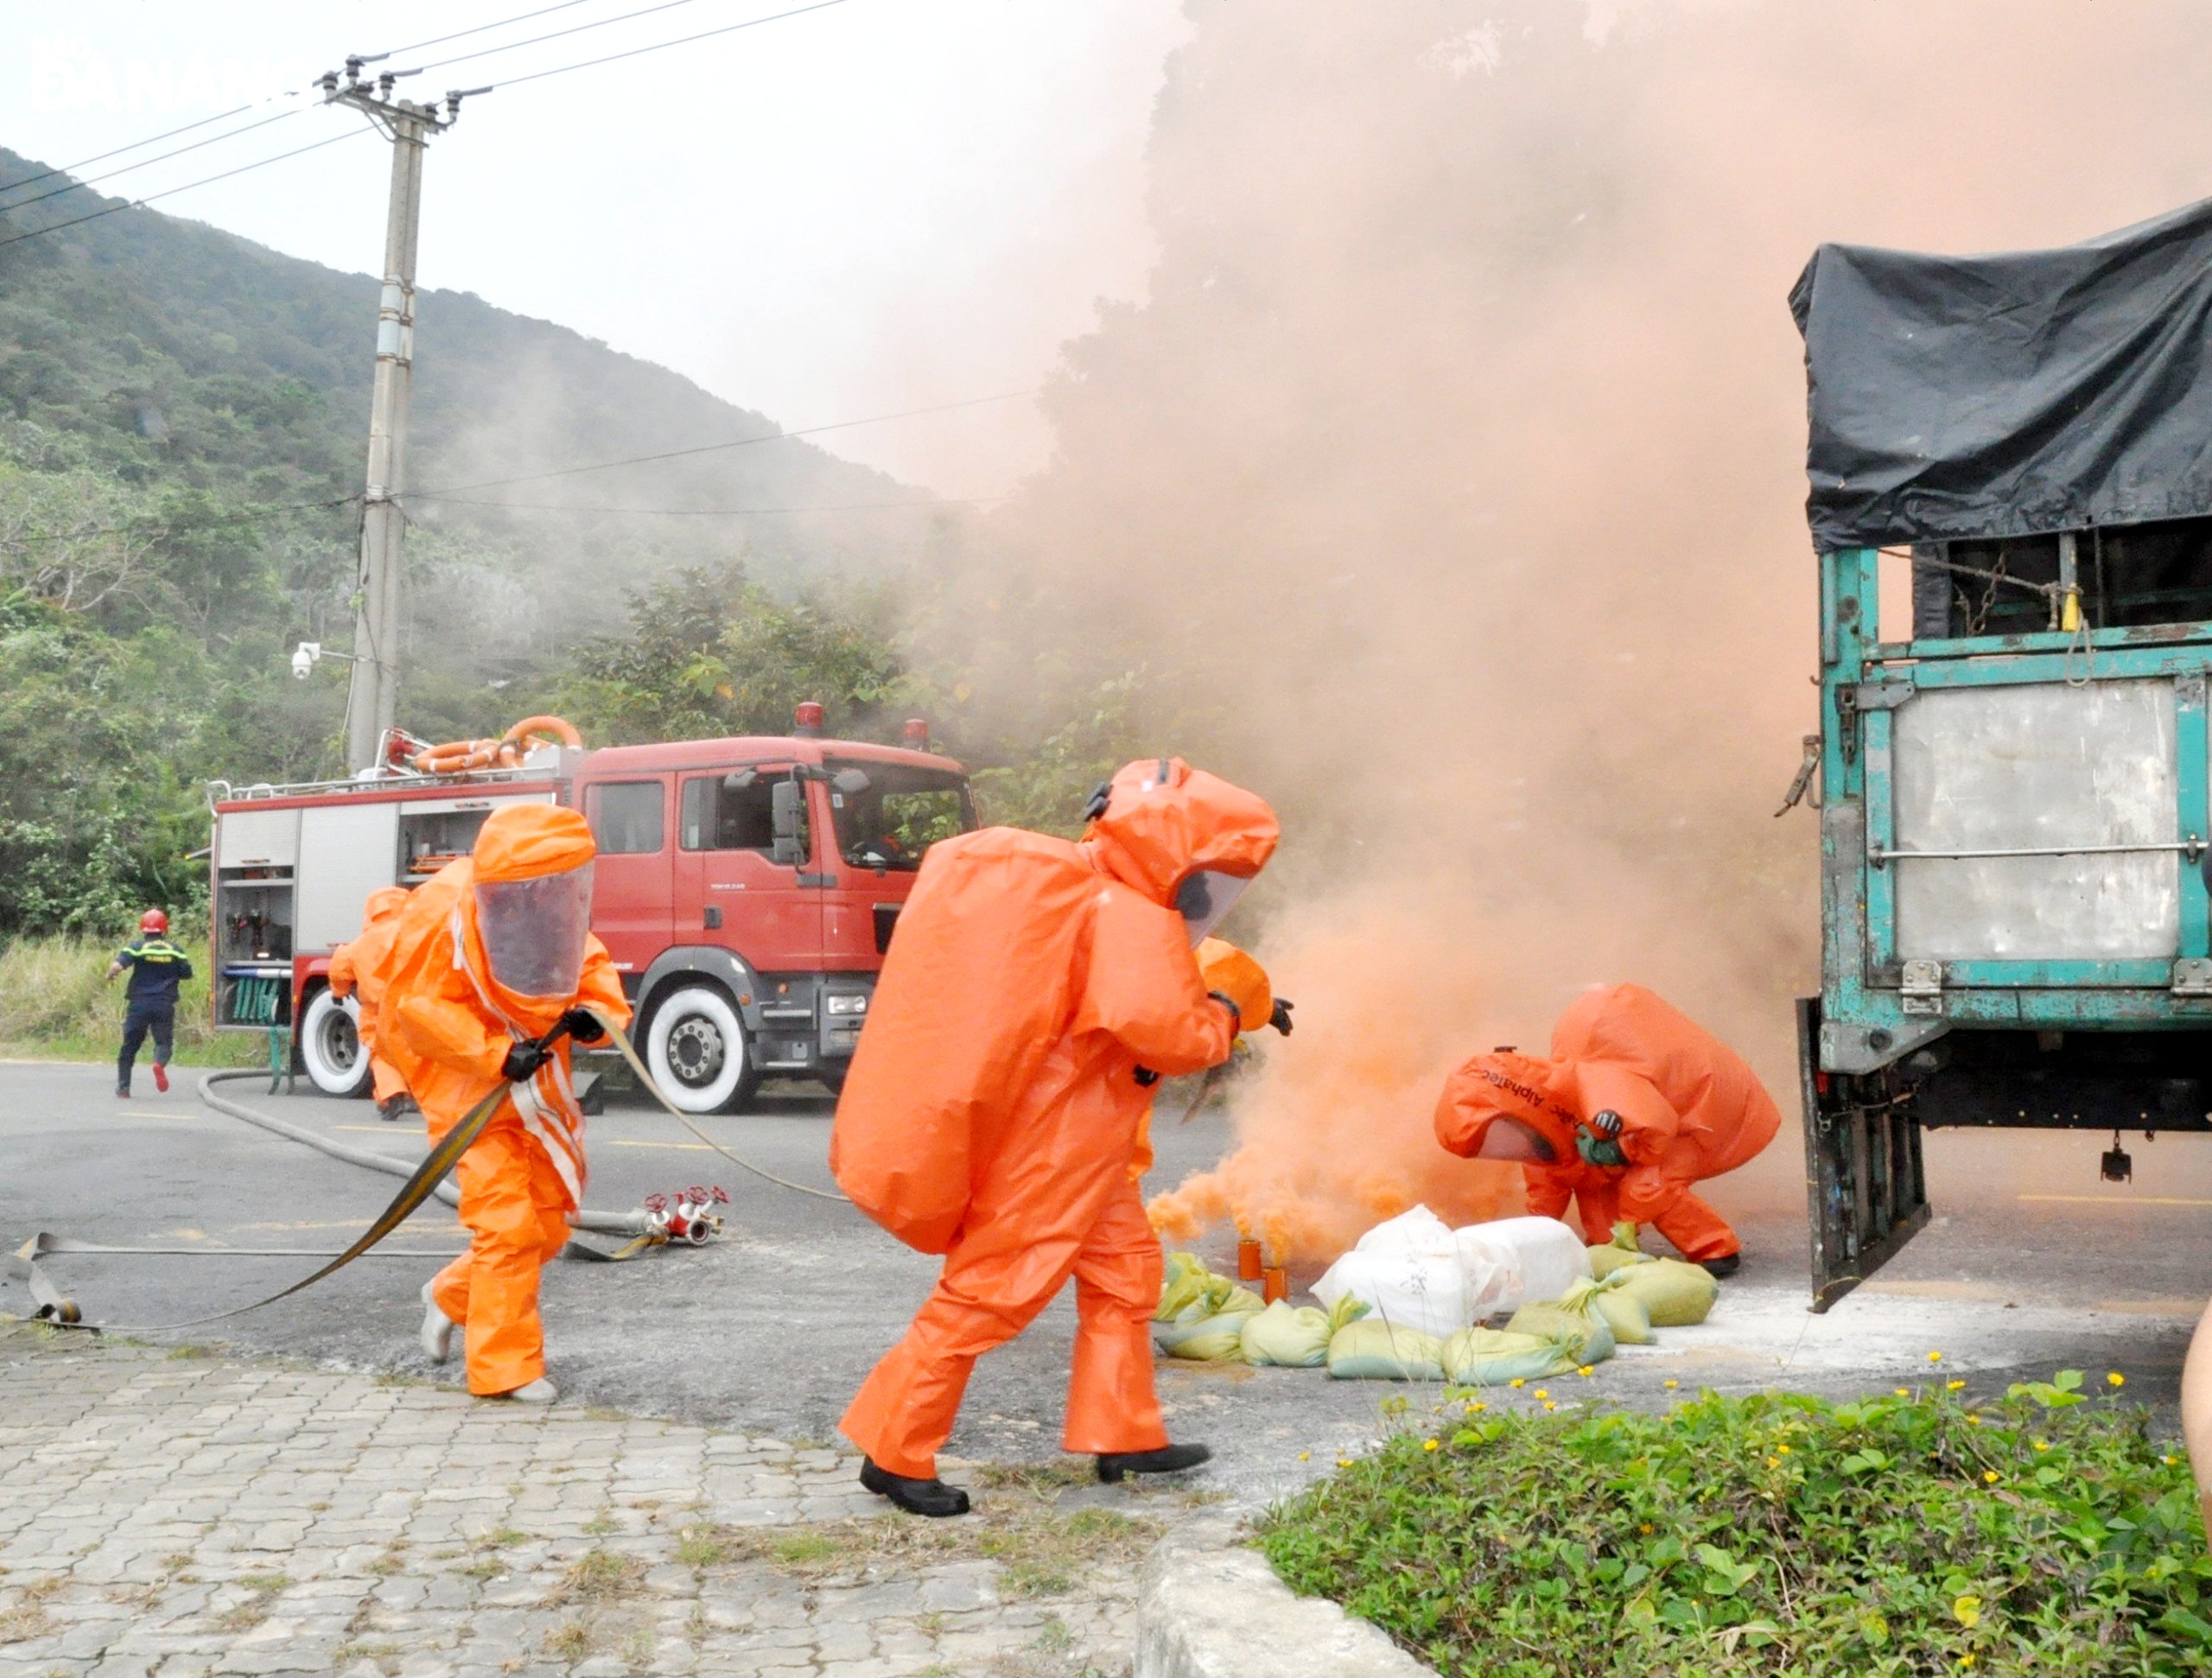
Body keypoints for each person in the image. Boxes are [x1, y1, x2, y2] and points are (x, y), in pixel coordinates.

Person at [832, 756, 1284, 1516]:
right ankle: (893, 1447)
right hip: (1059, 1147)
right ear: (1174, 851)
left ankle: (1123, 1434)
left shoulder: (1088, 888)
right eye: (1206, 870)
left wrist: (1228, 997)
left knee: (1125, 1277)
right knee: (988, 1295)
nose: (1209, 891)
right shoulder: (1127, 915)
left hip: (1085, 1144)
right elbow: (1173, 1035)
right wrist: (1233, 1011)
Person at [375, 804, 629, 1402]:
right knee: (508, 1225)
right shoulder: (445, 913)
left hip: (537, 1088)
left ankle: (450, 1296)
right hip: (466, 1091)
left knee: (545, 1225)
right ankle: (503, 1370)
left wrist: (599, 1017)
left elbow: (588, 965)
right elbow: (420, 1009)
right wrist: (493, 1055)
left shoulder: (552, 904)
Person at [1434, 982, 1779, 1275]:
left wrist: (1619, 1150)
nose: (1503, 1151)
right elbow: (1546, 1196)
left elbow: (1656, 1128)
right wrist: (1533, 1244)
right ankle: (1611, 1252)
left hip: (1701, 1118)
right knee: (1590, 1183)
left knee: (1644, 1186)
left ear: (1515, 1110)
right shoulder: (1541, 1130)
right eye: (1489, 1150)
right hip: (1651, 1127)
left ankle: (1716, 1250)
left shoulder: (1598, 1087)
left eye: (1496, 1138)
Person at [327, 886, 417, 1121]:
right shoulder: (413, 934)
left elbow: (339, 967)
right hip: (412, 1005)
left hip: (377, 1009)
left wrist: (340, 991)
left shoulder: (359, 944)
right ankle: (418, 1095)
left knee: (381, 1053)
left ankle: (392, 1094)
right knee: (416, 1050)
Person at [107, 909, 193, 1097]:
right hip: (163, 1003)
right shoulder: (175, 950)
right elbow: (187, 973)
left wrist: (110, 975)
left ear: (143, 928)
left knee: (129, 1045)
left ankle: (123, 1088)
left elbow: (117, 966)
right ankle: (158, 1063)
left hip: (139, 1004)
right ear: (164, 929)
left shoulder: (137, 947)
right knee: (163, 1042)